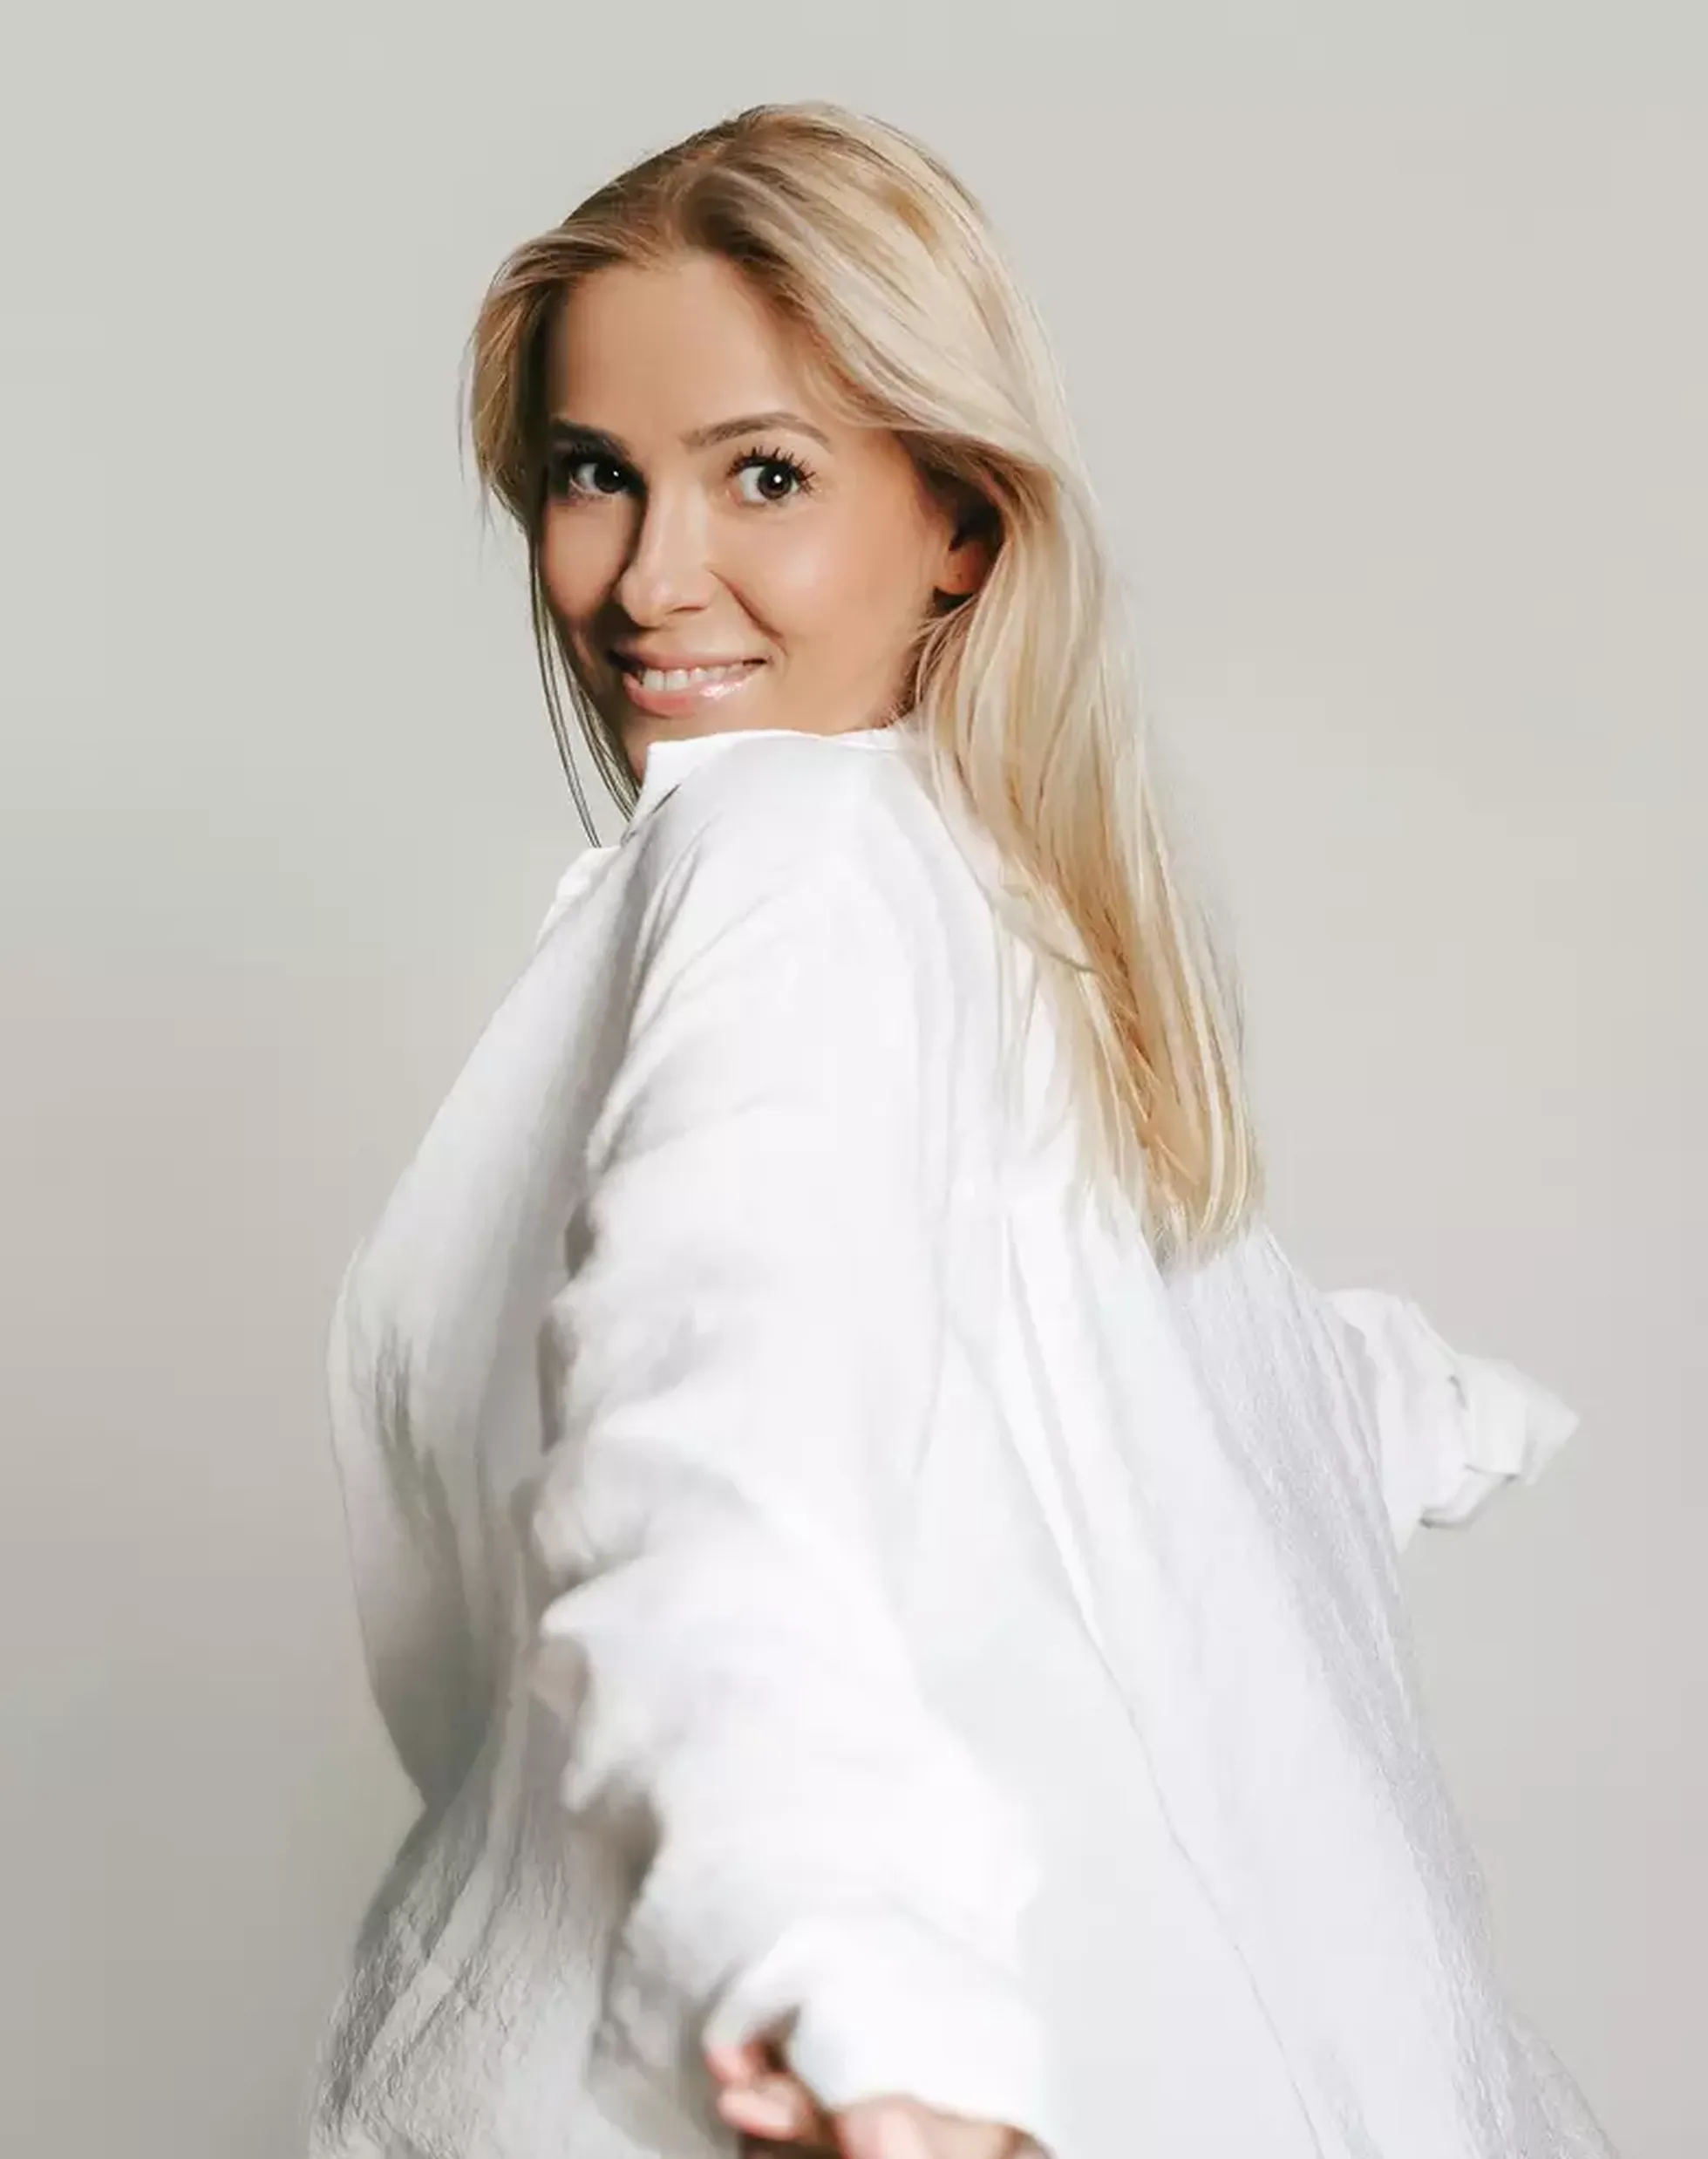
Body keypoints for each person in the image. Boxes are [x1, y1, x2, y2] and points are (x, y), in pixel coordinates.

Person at [304, 100, 1619, 2159]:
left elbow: (715, 1425)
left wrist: (838, 1980)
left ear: (964, 526)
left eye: (764, 474)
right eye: (592, 474)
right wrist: (1405, 1404)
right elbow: (1032, 1344)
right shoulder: (963, 887)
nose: (650, 577)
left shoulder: (804, 854)